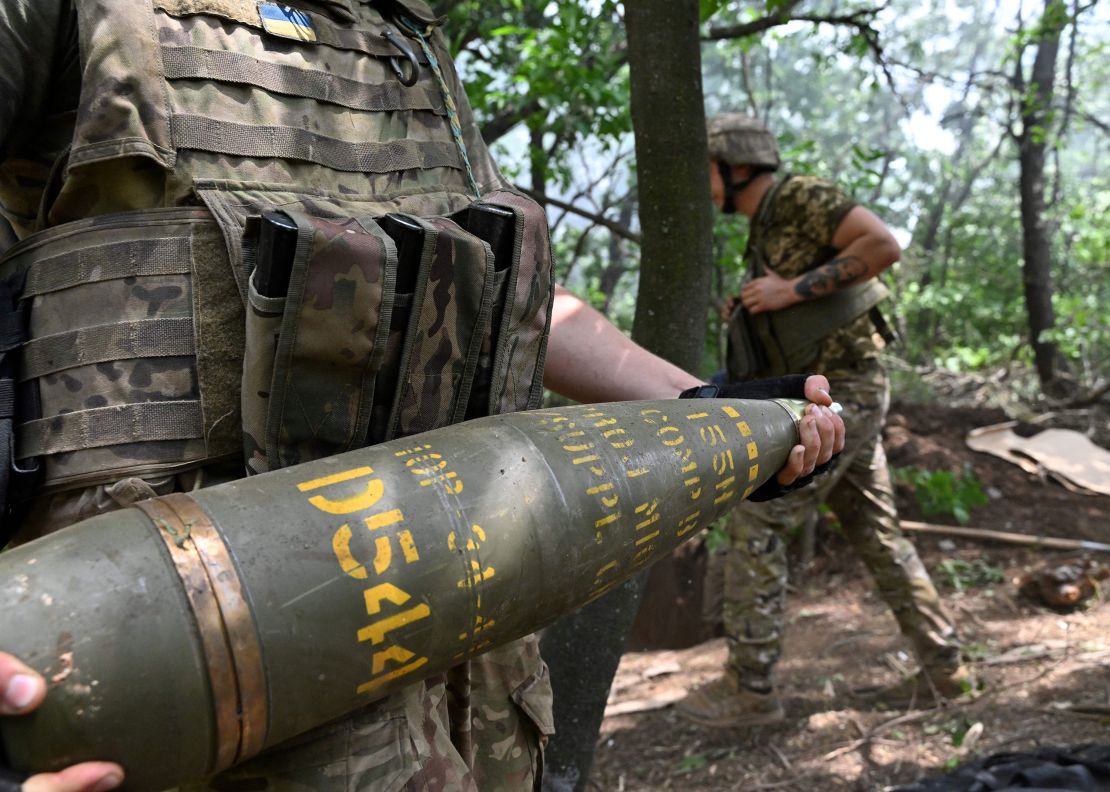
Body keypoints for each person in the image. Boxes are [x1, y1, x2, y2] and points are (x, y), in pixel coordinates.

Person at [0, 4, 843, 790]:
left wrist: (698, 400)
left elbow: (496, 293)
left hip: (464, 672)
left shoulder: (404, 39)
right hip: (168, 650)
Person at [676, 113, 968, 729]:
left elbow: (883, 246)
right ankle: (947, 668)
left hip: (846, 391)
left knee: (759, 513)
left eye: (706, 171)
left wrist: (791, 290)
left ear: (735, 164)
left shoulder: (801, 195)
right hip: (832, 395)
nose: (703, 186)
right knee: (876, 531)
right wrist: (756, 303)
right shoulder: (766, 225)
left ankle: (750, 690)